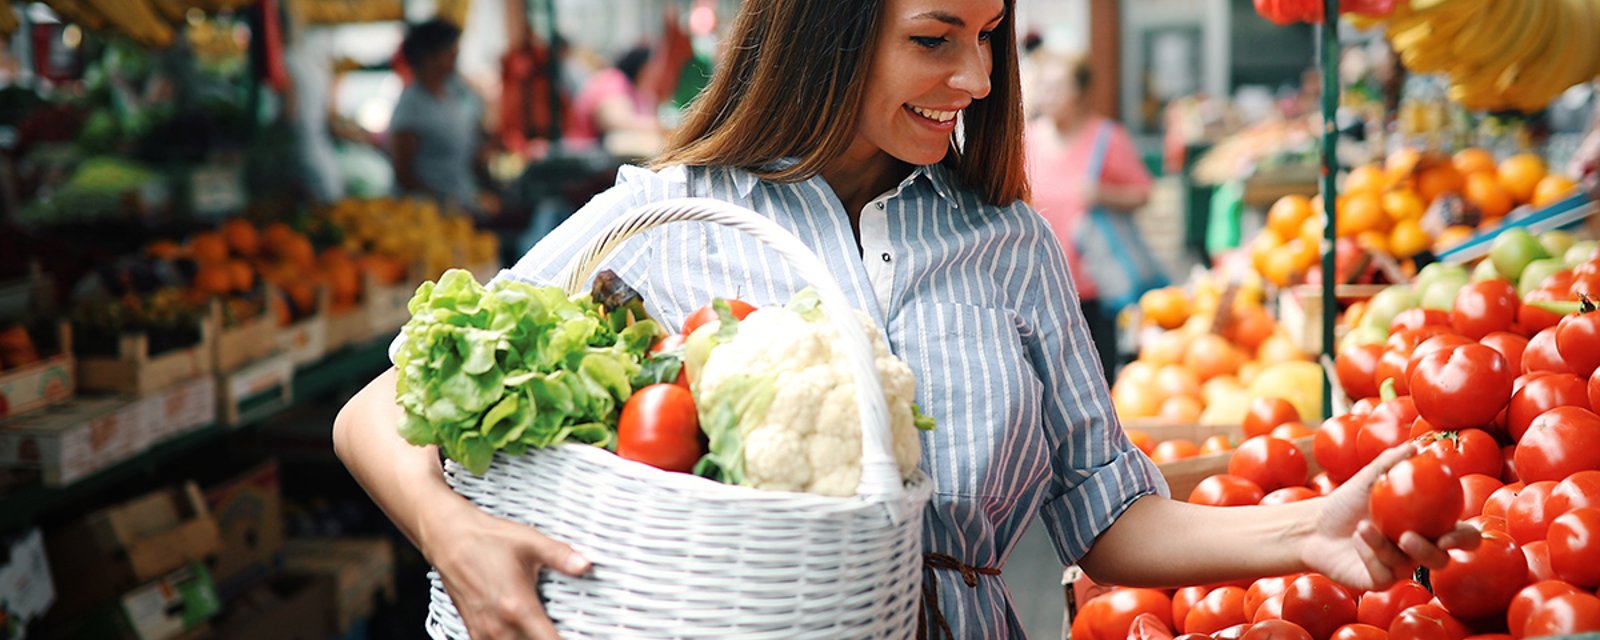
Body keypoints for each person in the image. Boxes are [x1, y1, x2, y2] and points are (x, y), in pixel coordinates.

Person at [334, 1, 1479, 638]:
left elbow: (1108, 518)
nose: (977, 76)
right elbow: (380, 409)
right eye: (936, 39)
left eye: (989, 35)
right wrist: (455, 536)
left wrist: (1303, 534)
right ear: (825, 35)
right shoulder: (662, 220)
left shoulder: (1009, 240)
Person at [1025, 52, 1153, 383]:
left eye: (1057, 87)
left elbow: (1142, 192)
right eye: (1043, 86)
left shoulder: (1107, 137)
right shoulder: (1025, 139)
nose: (1047, 95)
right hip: (1040, 285)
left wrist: (1101, 193)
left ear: (1079, 92)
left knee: (1098, 378)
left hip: (1095, 287)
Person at [389, 19, 499, 217]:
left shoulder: (455, 91)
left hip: (460, 203)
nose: (455, 56)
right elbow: (403, 173)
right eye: (450, 51)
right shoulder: (411, 107)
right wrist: (440, 201)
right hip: (426, 214)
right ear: (428, 57)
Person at [565, 45, 663, 157]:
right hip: (584, 157)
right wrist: (661, 126)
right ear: (643, 67)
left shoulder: (642, 92)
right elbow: (615, 122)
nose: (657, 73)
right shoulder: (613, 80)